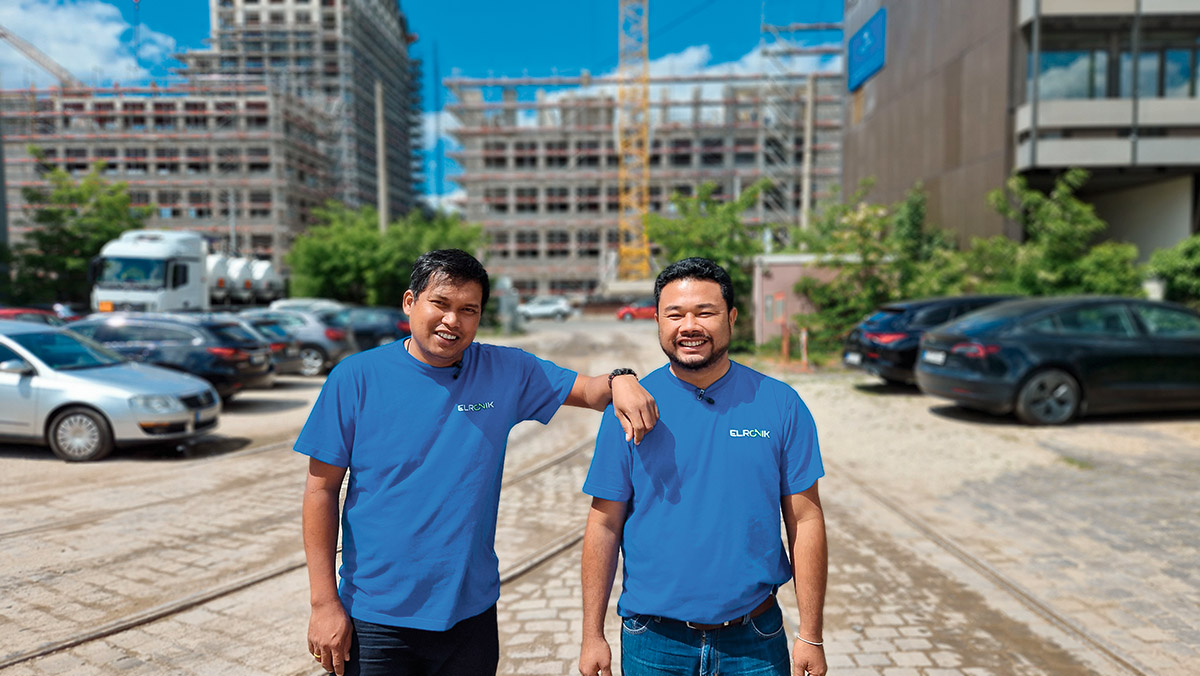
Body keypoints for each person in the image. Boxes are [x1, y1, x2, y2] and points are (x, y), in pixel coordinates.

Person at [298, 249, 659, 676]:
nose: (453, 321)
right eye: (441, 304)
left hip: (470, 616)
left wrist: (623, 379)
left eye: (468, 310)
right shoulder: (355, 378)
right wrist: (324, 604)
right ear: (410, 302)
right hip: (376, 618)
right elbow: (320, 490)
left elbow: (591, 391)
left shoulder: (504, 370)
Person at [578, 257, 828, 676]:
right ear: (657, 320)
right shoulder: (627, 408)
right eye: (674, 314)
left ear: (731, 317)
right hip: (653, 642)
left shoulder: (780, 403)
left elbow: (805, 519)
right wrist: (591, 634)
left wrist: (812, 634)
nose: (689, 326)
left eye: (705, 312)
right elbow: (603, 524)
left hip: (755, 639)